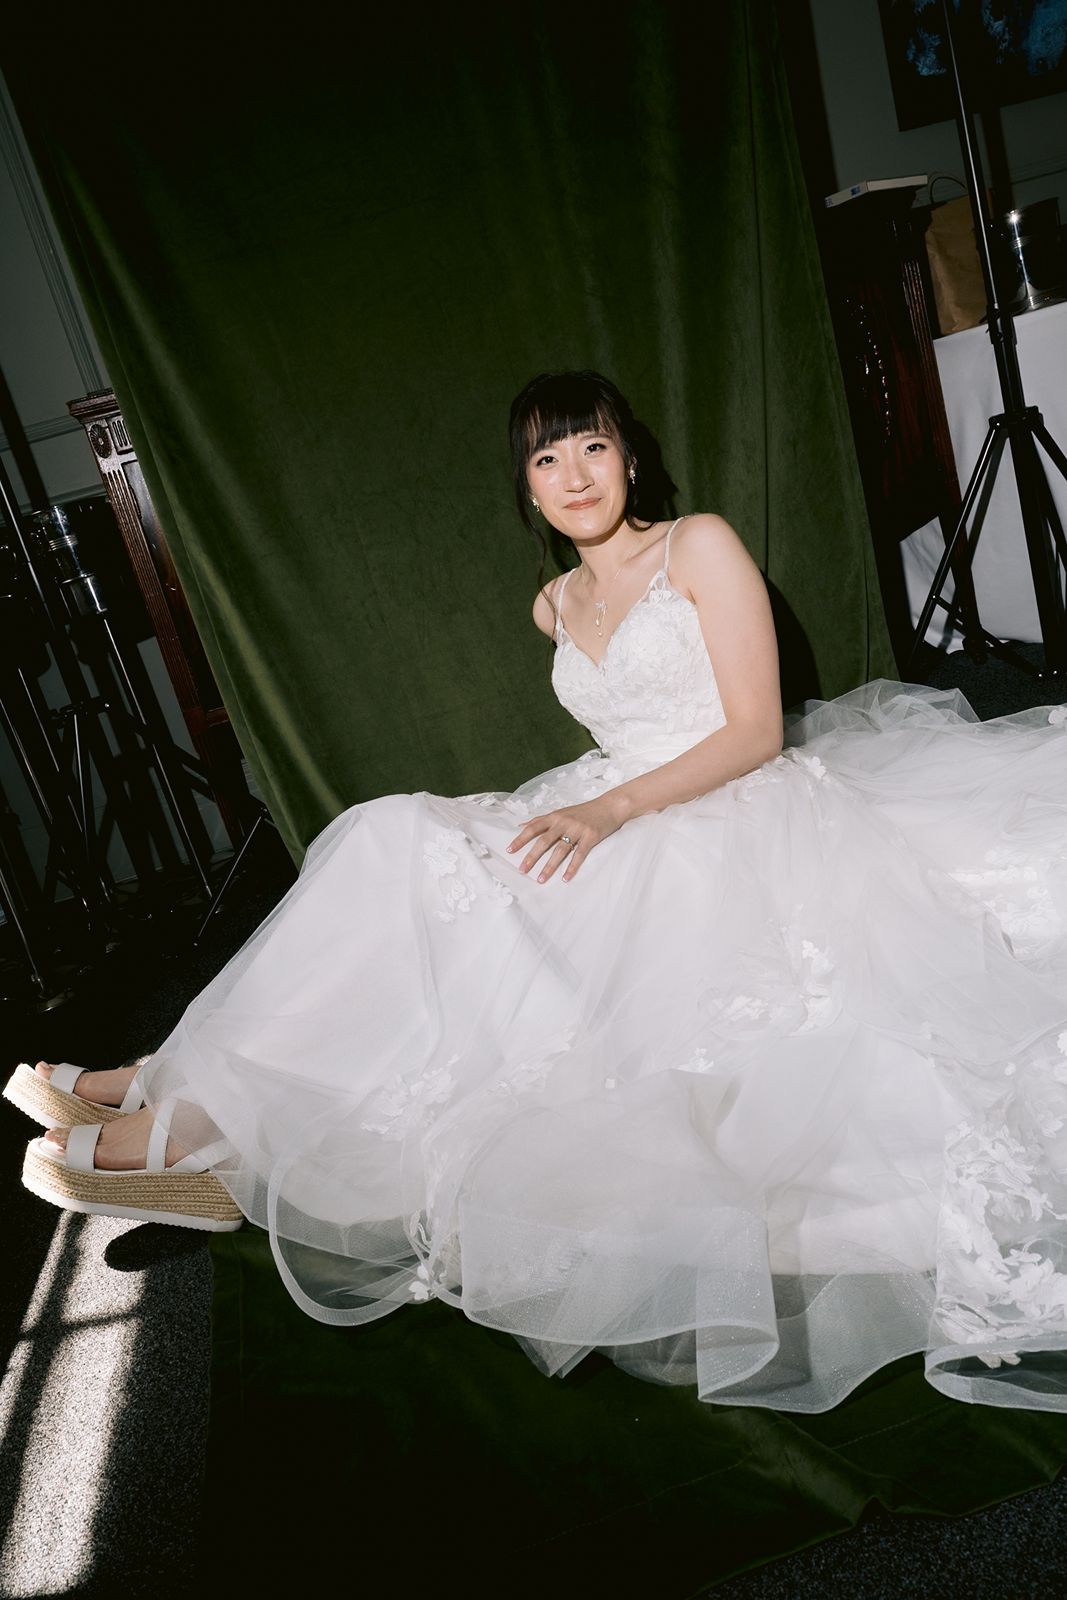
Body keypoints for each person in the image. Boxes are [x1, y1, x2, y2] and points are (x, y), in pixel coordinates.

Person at [6, 370, 1067, 1414]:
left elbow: (750, 730)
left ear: (629, 456)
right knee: (388, 842)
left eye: (592, 446)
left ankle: (179, 1111)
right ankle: (175, 1081)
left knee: (448, 916)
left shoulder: (694, 543)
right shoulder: (552, 602)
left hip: (723, 816)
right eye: (546, 458)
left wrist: (609, 817)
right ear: (525, 487)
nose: (573, 473)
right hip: (601, 808)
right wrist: (594, 813)